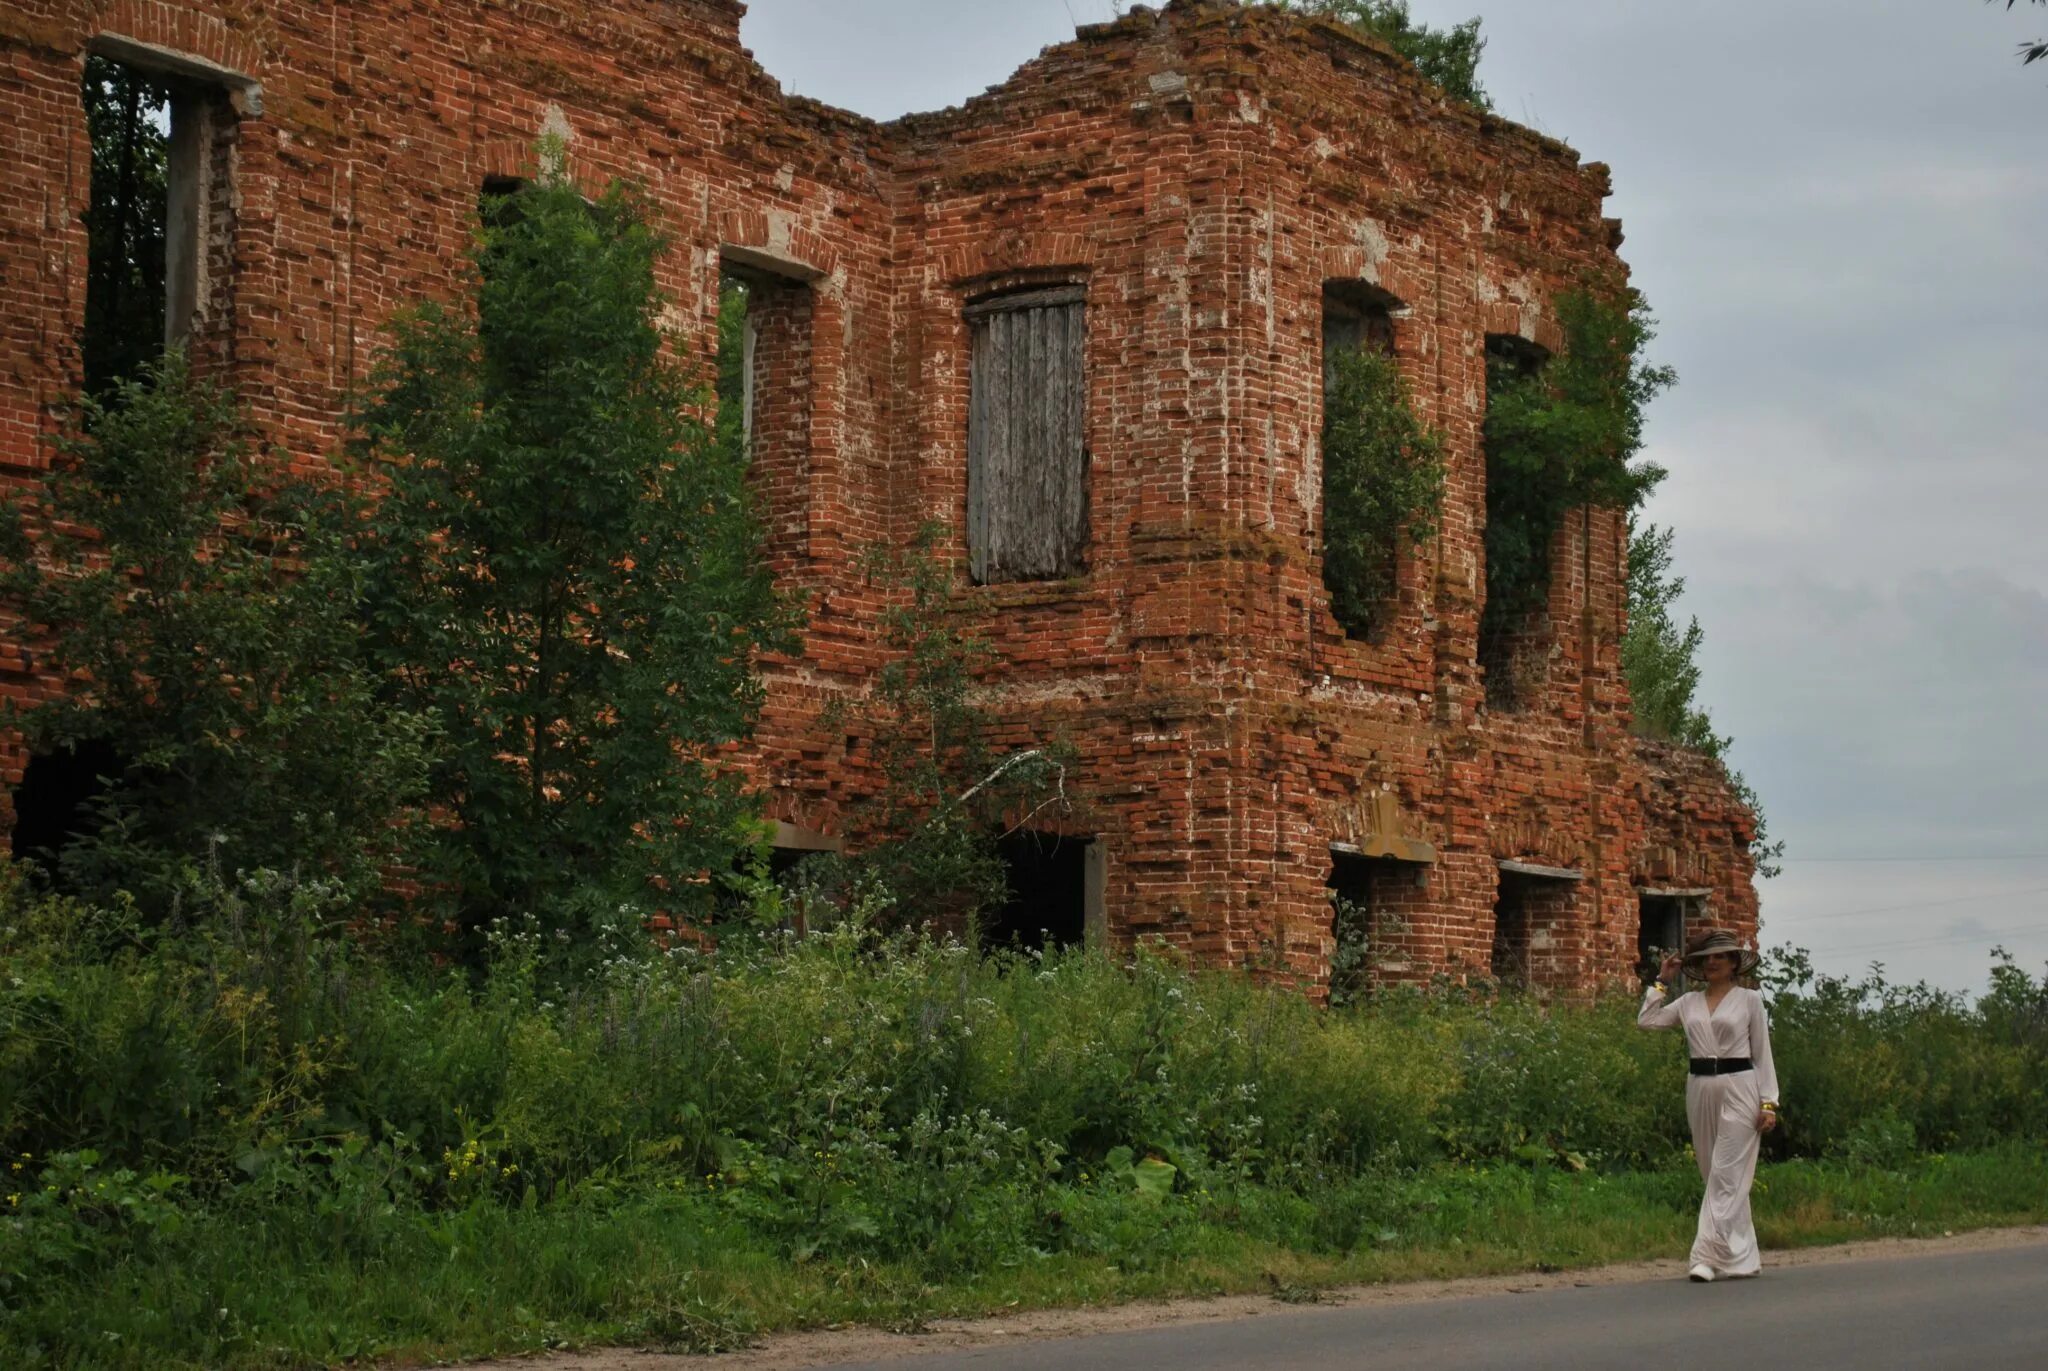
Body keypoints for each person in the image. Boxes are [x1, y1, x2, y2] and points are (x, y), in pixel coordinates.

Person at [1638, 928, 1780, 1282]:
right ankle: (1742, 1257)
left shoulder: (1750, 1001)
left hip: (1740, 1086)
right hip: (1699, 1087)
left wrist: (1769, 1103)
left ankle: (1705, 1257)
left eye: (1721, 956)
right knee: (1713, 1172)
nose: (1714, 962)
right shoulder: (1688, 1004)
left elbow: (1763, 1054)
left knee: (1726, 1174)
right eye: (1707, 957)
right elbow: (1647, 1021)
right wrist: (1661, 981)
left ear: (1734, 963)